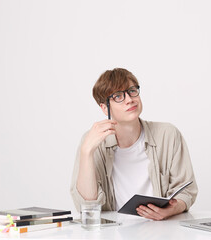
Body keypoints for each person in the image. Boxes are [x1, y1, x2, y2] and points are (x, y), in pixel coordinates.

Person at [70, 68, 198, 220]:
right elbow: (86, 206)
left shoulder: (168, 134)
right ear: (105, 108)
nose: (129, 99)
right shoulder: (93, 141)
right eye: (118, 96)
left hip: (161, 230)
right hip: (113, 233)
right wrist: (86, 152)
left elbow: (186, 191)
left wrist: (170, 210)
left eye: (131, 91)